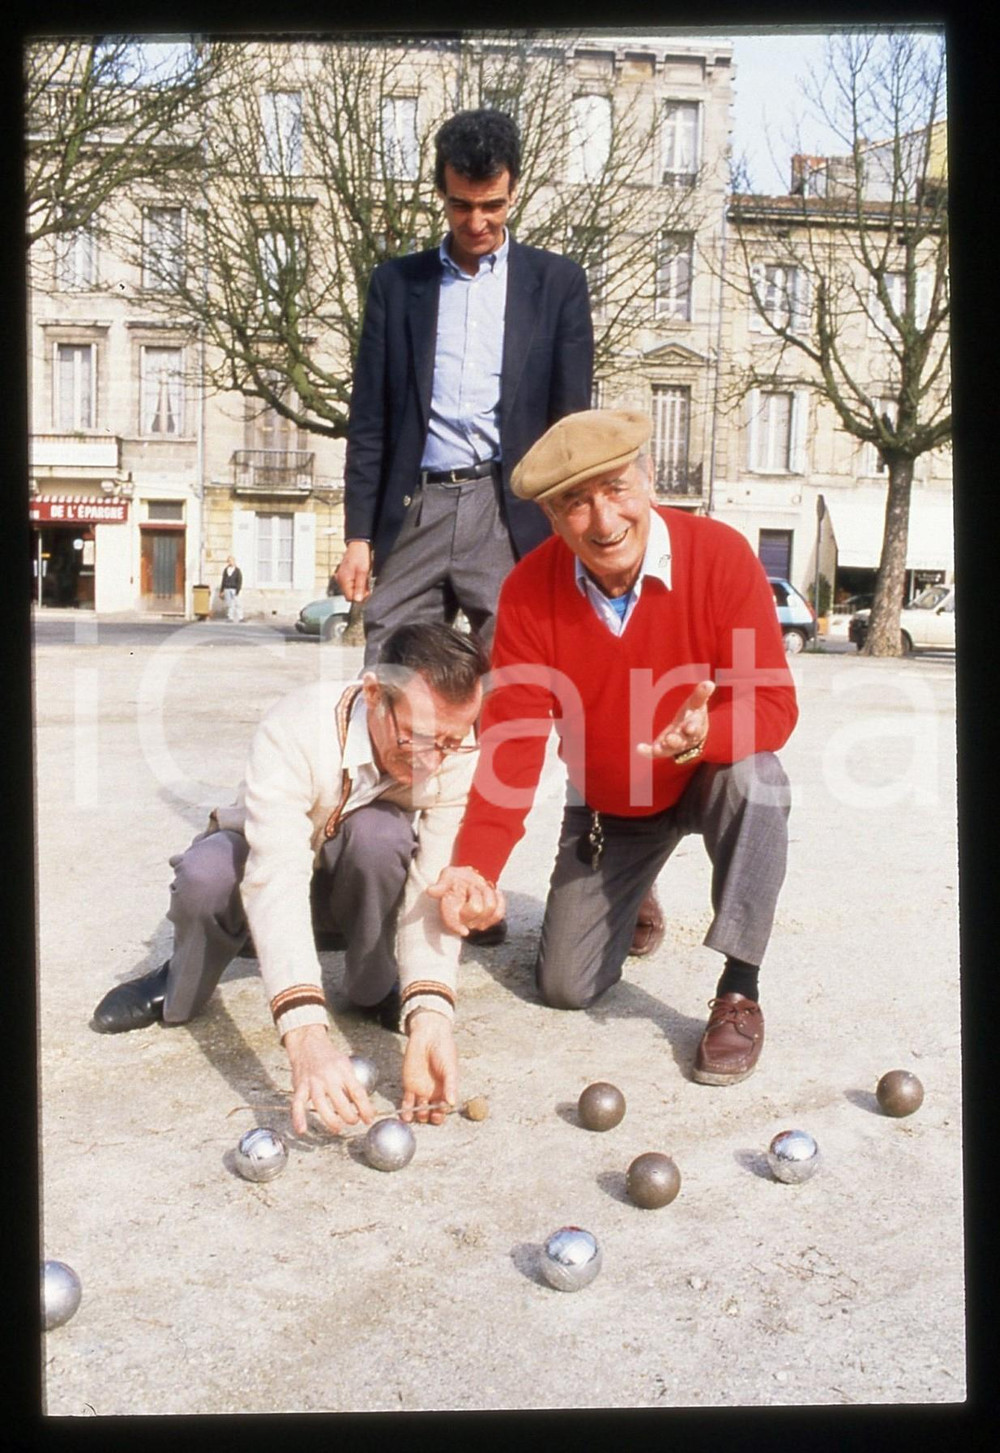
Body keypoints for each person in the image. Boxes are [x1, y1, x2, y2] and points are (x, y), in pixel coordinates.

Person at [428, 410, 799, 1087]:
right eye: (576, 501)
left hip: (707, 773)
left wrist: (707, 736)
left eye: (617, 488)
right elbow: (512, 744)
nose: (603, 521)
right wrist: (474, 865)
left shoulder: (720, 558)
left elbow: (775, 705)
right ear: (548, 513)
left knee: (758, 778)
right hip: (612, 805)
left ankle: (740, 987)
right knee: (565, 985)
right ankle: (639, 888)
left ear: (650, 478)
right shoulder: (528, 594)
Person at [91, 623, 488, 1134]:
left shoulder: (455, 746)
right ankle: (182, 978)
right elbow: (274, 873)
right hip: (264, 864)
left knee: (381, 837)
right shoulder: (297, 725)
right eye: (417, 738)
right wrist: (306, 1037)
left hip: (343, 883)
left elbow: (432, 884)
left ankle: (373, 986)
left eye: (451, 743)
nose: (434, 762)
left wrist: (431, 1015)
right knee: (206, 874)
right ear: (373, 694)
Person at [336, 107, 594, 669]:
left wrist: (569, 531)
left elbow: (570, 428)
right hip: (416, 506)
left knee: (517, 677)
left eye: (492, 205)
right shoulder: (395, 286)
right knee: (393, 676)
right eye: (460, 205)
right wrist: (359, 534)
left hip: (508, 511)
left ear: (514, 191)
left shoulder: (558, 285)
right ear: (440, 192)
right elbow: (370, 422)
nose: (476, 221)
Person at [220, 556, 243, 622]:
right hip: (227, 588)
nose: (230, 562)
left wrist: (238, 590)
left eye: (231, 561)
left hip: (234, 588)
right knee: (229, 604)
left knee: (238, 603)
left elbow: (239, 581)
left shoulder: (237, 570)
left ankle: (240, 617)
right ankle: (230, 617)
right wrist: (221, 590)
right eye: (229, 561)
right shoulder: (226, 570)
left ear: (234, 561)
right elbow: (223, 580)